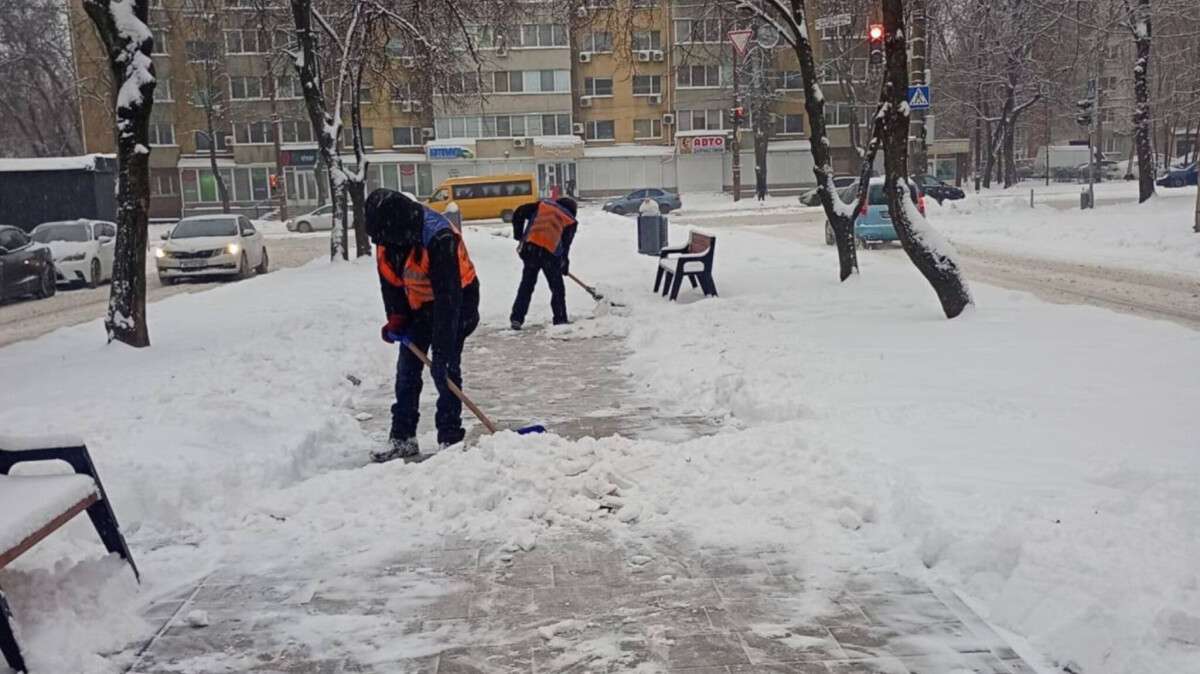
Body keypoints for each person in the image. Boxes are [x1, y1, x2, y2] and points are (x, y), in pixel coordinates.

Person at [365, 188, 480, 462]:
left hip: (458, 302)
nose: (380, 244)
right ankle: (403, 438)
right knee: (407, 371)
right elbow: (390, 283)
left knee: (446, 370)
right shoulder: (386, 238)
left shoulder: (438, 237)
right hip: (419, 306)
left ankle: (450, 439)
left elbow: (447, 299)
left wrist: (440, 351)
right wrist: (397, 317)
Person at [509, 197, 578, 330]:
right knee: (557, 288)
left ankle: (516, 318)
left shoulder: (542, 205)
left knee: (526, 285)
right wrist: (564, 263)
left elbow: (519, 212)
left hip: (531, 249)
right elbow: (565, 245)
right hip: (550, 255)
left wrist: (519, 235)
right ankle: (560, 319)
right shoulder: (570, 220)